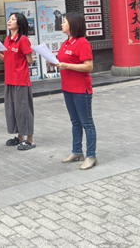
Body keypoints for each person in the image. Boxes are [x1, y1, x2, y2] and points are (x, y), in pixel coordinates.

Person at [54, 12, 98, 170]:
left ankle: (91, 155)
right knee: (75, 122)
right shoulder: (66, 42)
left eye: (64, 21)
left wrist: (67, 66)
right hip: (67, 88)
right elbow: (63, 60)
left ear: (73, 24)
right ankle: (77, 151)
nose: (62, 24)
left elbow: (88, 66)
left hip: (80, 89)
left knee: (87, 123)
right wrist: (54, 62)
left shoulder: (82, 43)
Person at [0, 13, 35, 150]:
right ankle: (20, 138)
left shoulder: (23, 40)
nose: (9, 21)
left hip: (21, 80)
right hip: (9, 79)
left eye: (13, 19)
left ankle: (30, 140)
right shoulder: (7, 39)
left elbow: (30, 60)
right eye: (9, 19)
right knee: (13, 110)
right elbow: (7, 59)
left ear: (19, 23)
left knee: (24, 110)